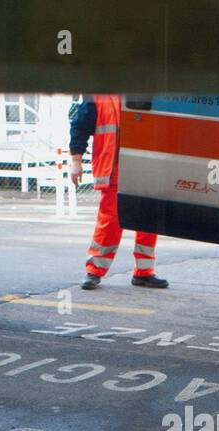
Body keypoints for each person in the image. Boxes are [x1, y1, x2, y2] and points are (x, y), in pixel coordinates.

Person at [69, 95, 168, 290]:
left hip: (145, 164)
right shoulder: (99, 96)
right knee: (110, 220)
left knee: (148, 217)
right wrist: (76, 161)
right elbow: (79, 126)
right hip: (114, 168)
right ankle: (94, 271)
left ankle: (144, 272)